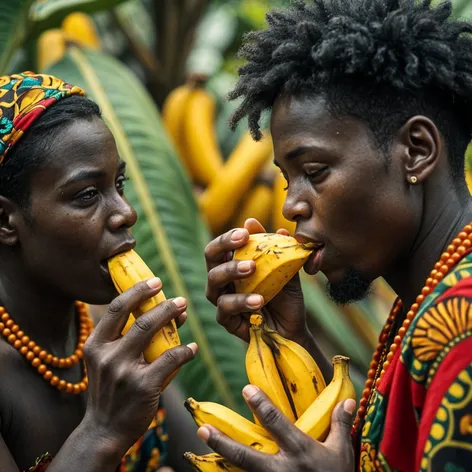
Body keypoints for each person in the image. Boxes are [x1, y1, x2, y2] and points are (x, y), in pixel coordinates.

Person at [201, 0, 472, 470]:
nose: (290, 206)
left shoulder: (461, 322)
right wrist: (294, 341)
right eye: (288, 179)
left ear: (417, 151)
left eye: (315, 171)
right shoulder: (426, 305)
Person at [0, 72, 205, 472]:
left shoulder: (115, 336)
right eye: (88, 195)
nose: (127, 212)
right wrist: (101, 430)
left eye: (119, 183)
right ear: (6, 222)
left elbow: (201, 459)